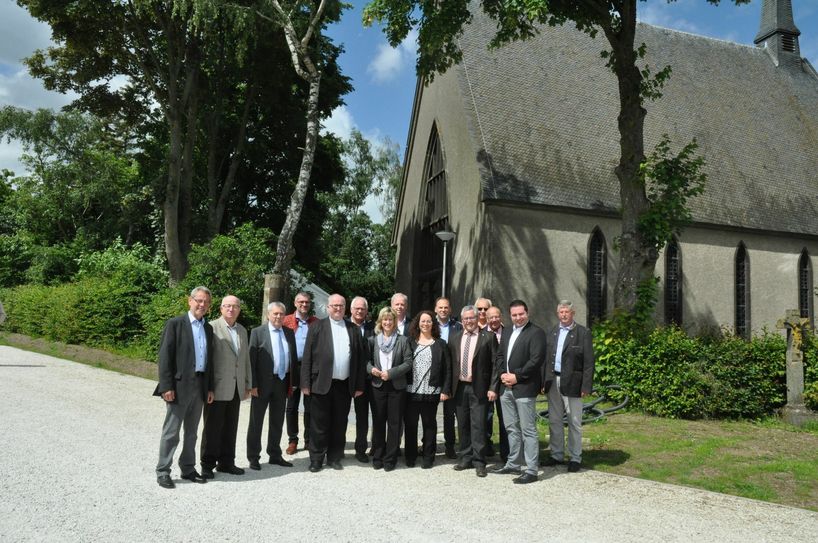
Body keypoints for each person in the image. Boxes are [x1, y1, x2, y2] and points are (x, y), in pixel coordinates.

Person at [154, 286, 215, 489]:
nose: (202, 304)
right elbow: (165, 357)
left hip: (200, 386)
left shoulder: (208, 328)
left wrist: (210, 388)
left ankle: (188, 468)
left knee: (192, 432)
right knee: (171, 432)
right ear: (190, 301)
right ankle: (163, 471)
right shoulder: (176, 324)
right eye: (199, 300)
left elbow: (210, 361)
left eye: (206, 302)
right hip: (179, 387)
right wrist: (166, 386)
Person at [300, 294, 366, 472]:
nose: (338, 308)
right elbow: (307, 357)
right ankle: (316, 458)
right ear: (328, 307)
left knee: (339, 423)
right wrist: (305, 383)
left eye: (341, 305)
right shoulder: (316, 327)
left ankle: (334, 457)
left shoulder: (352, 329)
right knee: (318, 424)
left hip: (344, 385)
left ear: (345, 308)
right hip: (320, 383)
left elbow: (360, 360)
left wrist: (359, 385)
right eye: (334, 305)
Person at [489, 299, 546, 484]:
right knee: (511, 427)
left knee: (528, 430)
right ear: (510, 316)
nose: (518, 317)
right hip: (506, 387)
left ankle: (531, 469)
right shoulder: (506, 331)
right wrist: (503, 375)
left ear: (527, 313)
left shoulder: (536, 332)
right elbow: (499, 356)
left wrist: (517, 376)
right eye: (514, 315)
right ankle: (513, 463)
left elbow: (536, 360)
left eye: (521, 314)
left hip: (525, 387)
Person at [200, 295, 251, 478]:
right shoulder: (211, 328)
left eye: (235, 306)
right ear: (221, 308)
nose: (231, 309)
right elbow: (207, 361)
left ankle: (226, 462)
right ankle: (207, 464)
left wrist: (247, 384)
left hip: (236, 388)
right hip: (217, 387)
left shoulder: (243, 331)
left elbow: (245, 360)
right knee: (212, 427)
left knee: (231, 426)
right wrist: (209, 387)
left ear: (239, 310)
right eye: (227, 306)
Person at [543, 300, 595, 472]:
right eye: (561, 312)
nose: (564, 314)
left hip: (573, 383)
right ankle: (556, 454)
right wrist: (544, 381)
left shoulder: (582, 332)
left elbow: (589, 362)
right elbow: (545, 359)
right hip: (553, 381)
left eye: (567, 312)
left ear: (573, 313)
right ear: (557, 314)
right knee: (555, 420)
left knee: (574, 422)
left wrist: (586, 386)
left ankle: (575, 457)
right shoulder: (552, 332)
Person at [246, 302, 298, 470]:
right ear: (268, 315)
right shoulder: (257, 332)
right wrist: (252, 384)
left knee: (277, 420)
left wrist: (293, 383)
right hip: (261, 384)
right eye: (275, 314)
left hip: (282, 383)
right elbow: (251, 361)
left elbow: (293, 359)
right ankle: (253, 456)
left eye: (281, 314)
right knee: (256, 421)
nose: (278, 317)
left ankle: (275, 454)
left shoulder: (289, 333)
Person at [448, 305, 496, 477]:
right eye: (466, 318)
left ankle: (479, 461)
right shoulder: (454, 338)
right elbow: (450, 365)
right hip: (459, 387)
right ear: (462, 320)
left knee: (478, 424)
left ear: (477, 319)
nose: (469, 321)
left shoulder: (488, 337)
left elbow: (495, 365)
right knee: (463, 424)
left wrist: (492, 387)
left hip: (479, 387)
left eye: (472, 318)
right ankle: (465, 458)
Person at [366, 307, 413, 471]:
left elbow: (408, 363)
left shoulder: (403, 340)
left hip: (396, 387)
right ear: (380, 321)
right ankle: (378, 455)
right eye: (384, 319)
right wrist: (372, 370)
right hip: (377, 386)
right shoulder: (373, 341)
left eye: (390, 320)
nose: (387, 322)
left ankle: (390, 457)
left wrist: (391, 373)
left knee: (394, 423)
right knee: (378, 422)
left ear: (395, 322)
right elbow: (366, 361)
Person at [404, 310, 451, 469]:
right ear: (418, 323)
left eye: (429, 321)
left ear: (433, 324)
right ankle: (410, 456)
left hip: (432, 391)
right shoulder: (409, 342)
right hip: (411, 391)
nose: (425, 324)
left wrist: (445, 390)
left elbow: (447, 369)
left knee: (429, 425)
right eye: (422, 321)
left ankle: (428, 456)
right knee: (410, 424)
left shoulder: (440, 344)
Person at [282, 292, 317, 455]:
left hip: (310, 368)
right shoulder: (286, 320)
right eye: (301, 302)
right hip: (293, 367)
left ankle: (309, 440)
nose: (304, 304)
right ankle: (293, 440)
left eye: (307, 302)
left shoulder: (316, 322)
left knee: (310, 407)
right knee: (292, 406)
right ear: (295, 303)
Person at [435, 296, 462, 458]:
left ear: (450, 309)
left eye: (446, 307)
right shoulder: (429, 325)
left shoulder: (458, 327)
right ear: (435, 309)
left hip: (453, 375)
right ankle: (427, 444)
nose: (443, 310)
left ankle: (451, 446)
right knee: (429, 413)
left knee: (450, 413)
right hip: (434, 374)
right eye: (440, 307)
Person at [349, 296, 375, 463]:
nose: (359, 311)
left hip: (369, 379)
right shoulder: (344, 326)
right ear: (351, 310)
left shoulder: (374, 328)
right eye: (357, 308)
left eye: (363, 309)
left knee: (365, 416)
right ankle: (335, 448)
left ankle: (361, 449)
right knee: (341, 414)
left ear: (366, 311)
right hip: (347, 378)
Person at [485, 305, 509, 462]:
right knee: (485, 417)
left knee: (505, 418)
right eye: (490, 317)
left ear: (501, 317)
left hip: (505, 382)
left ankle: (506, 453)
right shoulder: (481, 334)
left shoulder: (509, 333)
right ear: (486, 319)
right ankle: (486, 449)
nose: (494, 320)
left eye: (496, 316)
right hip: (485, 384)